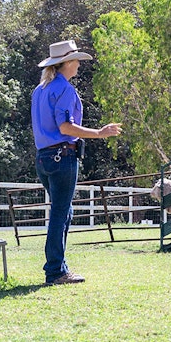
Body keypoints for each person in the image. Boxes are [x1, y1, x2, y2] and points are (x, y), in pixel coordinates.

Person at [31, 40, 122, 285]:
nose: (79, 65)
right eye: (77, 60)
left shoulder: (40, 90)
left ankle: (58, 265)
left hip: (43, 158)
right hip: (62, 157)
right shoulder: (64, 90)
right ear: (67, 63)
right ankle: (55, 271)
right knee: (61, 213)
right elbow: (65, 126)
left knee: (64, 211)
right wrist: (100, 133)